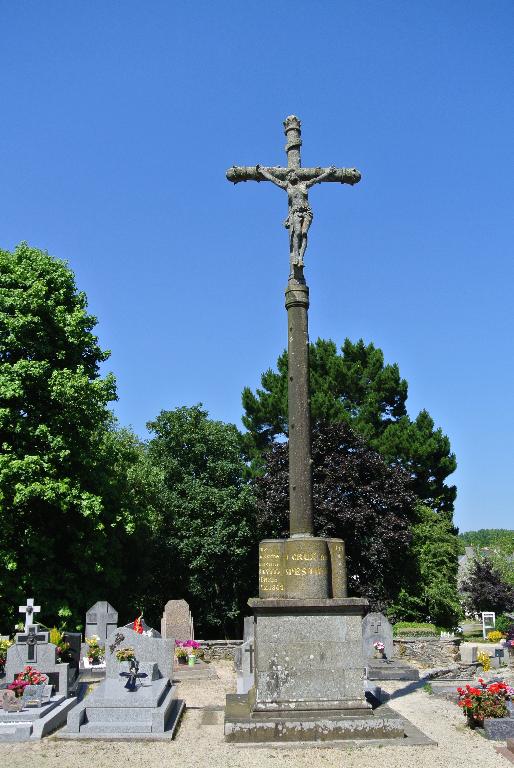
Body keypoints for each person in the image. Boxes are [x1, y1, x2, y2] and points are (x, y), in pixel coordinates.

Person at [256, 164, 336, 268]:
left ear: (296, 175)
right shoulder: (287, 186)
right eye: (288, 175)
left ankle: (301, 258)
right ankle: (295, 256)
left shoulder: (305, 184)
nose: (290, 176)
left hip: (307, 212)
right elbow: (273, 179)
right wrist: (263, 171)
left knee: (304, 233)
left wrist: (328, 172)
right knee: (297, 232)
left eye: (292, 174)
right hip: (296, 212)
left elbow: (317, 179)